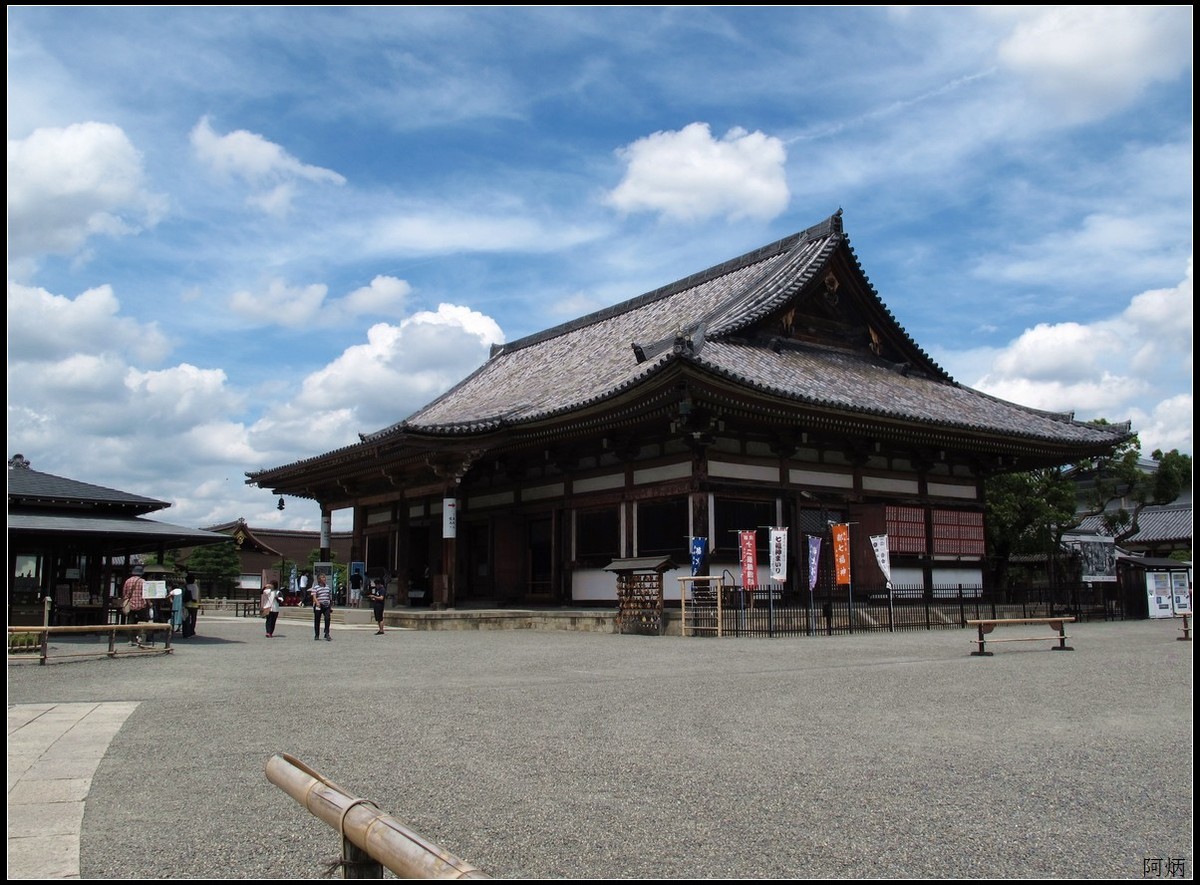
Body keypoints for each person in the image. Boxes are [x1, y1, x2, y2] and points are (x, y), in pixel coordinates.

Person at [121, 565, 150, 646]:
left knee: (130, 622)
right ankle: (140, 638)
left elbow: (124, 593)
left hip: (130, 605)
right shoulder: (143, 581)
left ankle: (130, 640)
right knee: (142, 622)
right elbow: (146, 594)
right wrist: (149, 603)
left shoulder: (128, 581)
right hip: (141, 605)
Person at [311, 573, 332, 641]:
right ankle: (317, 634)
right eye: (322, 577)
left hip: (326, 605)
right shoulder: (316, 587)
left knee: (327, 618)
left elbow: (329, 596)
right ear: (319, 579)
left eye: (324, 577)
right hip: (319, 605)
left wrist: (330, 605)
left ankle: (327, 633)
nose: (324, 579)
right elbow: (314, 596)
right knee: (317, 620)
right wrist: (317, 602)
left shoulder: (327, 587)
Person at [183, 573, 200, 637]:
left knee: (186, 618)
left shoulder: (187, 586)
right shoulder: (196, 586)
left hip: (187, 604)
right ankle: (192, 631)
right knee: (193, 619)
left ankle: (187, 631)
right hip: (195, 605)